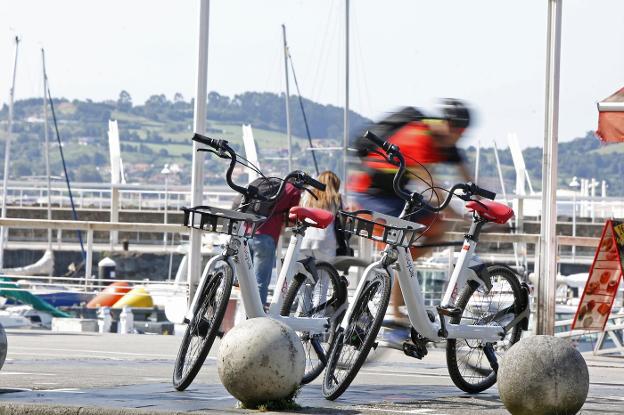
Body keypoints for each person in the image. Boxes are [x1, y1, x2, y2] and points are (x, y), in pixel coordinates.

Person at [349, 98, 473, 326]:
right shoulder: (420, 135)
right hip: (372, 193)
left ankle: (400, 287)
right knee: (417, 237)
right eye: (457, 131)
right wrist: (464, 216)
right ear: (447, 124)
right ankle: (389, 307)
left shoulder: (446, 141)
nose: (458, 137)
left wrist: (481, 205)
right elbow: (431, 185)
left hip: (395, 193)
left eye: (461, 133)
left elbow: (468, 179)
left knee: (425, 237)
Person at [243, 179, 301, 306]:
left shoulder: (270, 185)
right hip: (266, 237)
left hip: (247, 232)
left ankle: (245, 315)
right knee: (260, 282)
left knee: (246, 280)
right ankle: (258, 318)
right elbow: (292, 218)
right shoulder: (294, 191)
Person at [299, 171, 344, 262]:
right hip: (325, 240)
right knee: (325, 273)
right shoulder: (336, 198)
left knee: (306, 273)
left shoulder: (308, 195)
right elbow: (342, 219)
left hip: (306, 239)